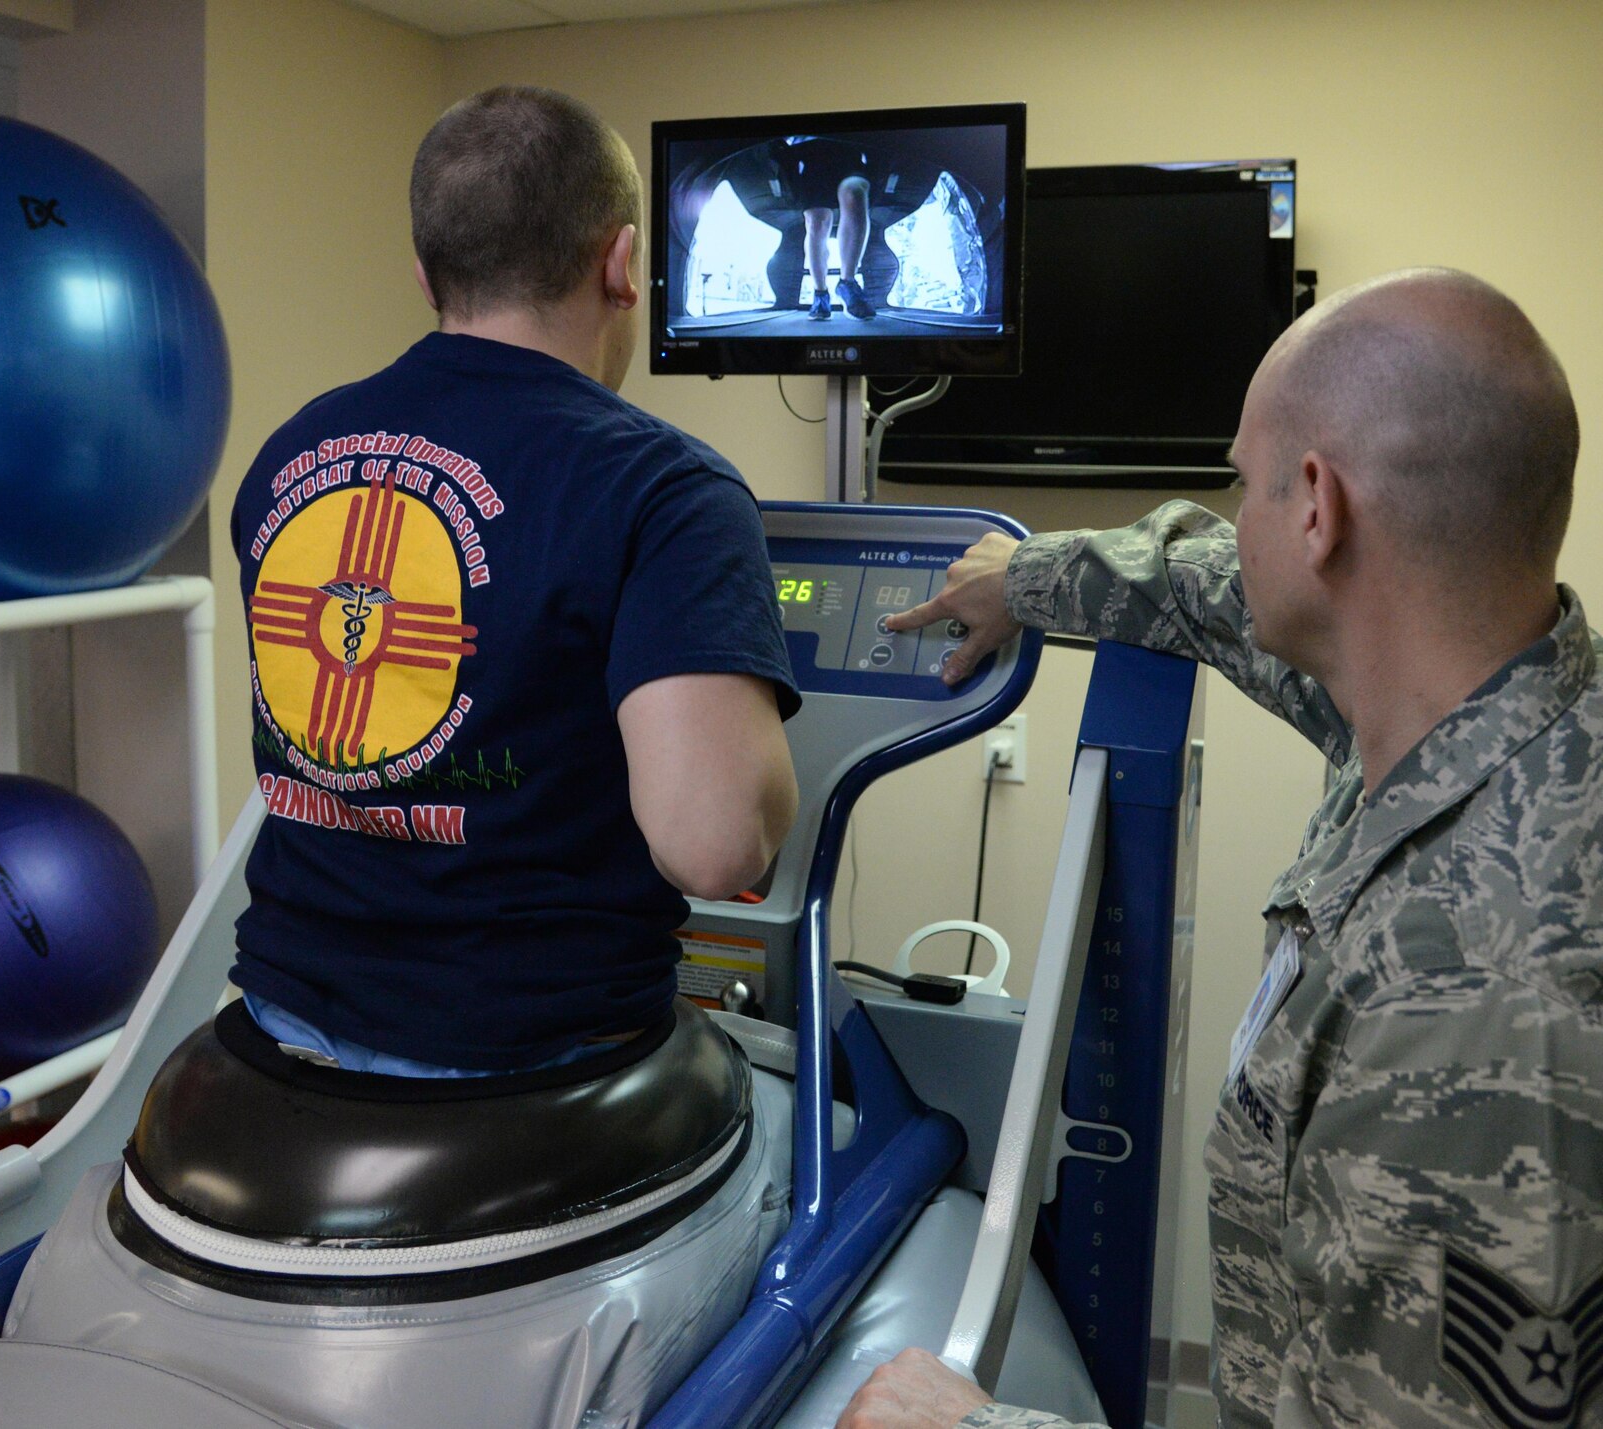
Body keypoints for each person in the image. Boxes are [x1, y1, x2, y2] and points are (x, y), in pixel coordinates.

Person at [842, 267, 1602, 1428]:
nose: (1229, 511)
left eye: (1241, 482)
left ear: (1315, 508)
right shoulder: (1475, 716)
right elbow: (1205, 586)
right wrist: (1027, 577)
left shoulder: (1474, 997)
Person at [228, 85, 800, 1078]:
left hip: (282, 1023)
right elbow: (714, 851)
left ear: (425, 272)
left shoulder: (294, 453)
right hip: (523, 1056)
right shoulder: (666, 487)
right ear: (619, 262)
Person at [780, 135, 876, 319]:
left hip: (847, 144)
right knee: (817, 221)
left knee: (855, 192)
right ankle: (820, 293)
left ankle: (847, 283)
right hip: (809, 149)